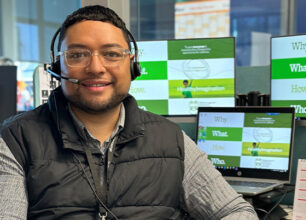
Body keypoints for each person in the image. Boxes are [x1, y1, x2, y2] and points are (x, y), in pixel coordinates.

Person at [0, 5, 258, 220]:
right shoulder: (16, 140)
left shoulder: (171, 139)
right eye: (77, 55)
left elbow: (236, 211)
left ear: (132, 66)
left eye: (112, 54)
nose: (96, 67)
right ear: (57, 67)